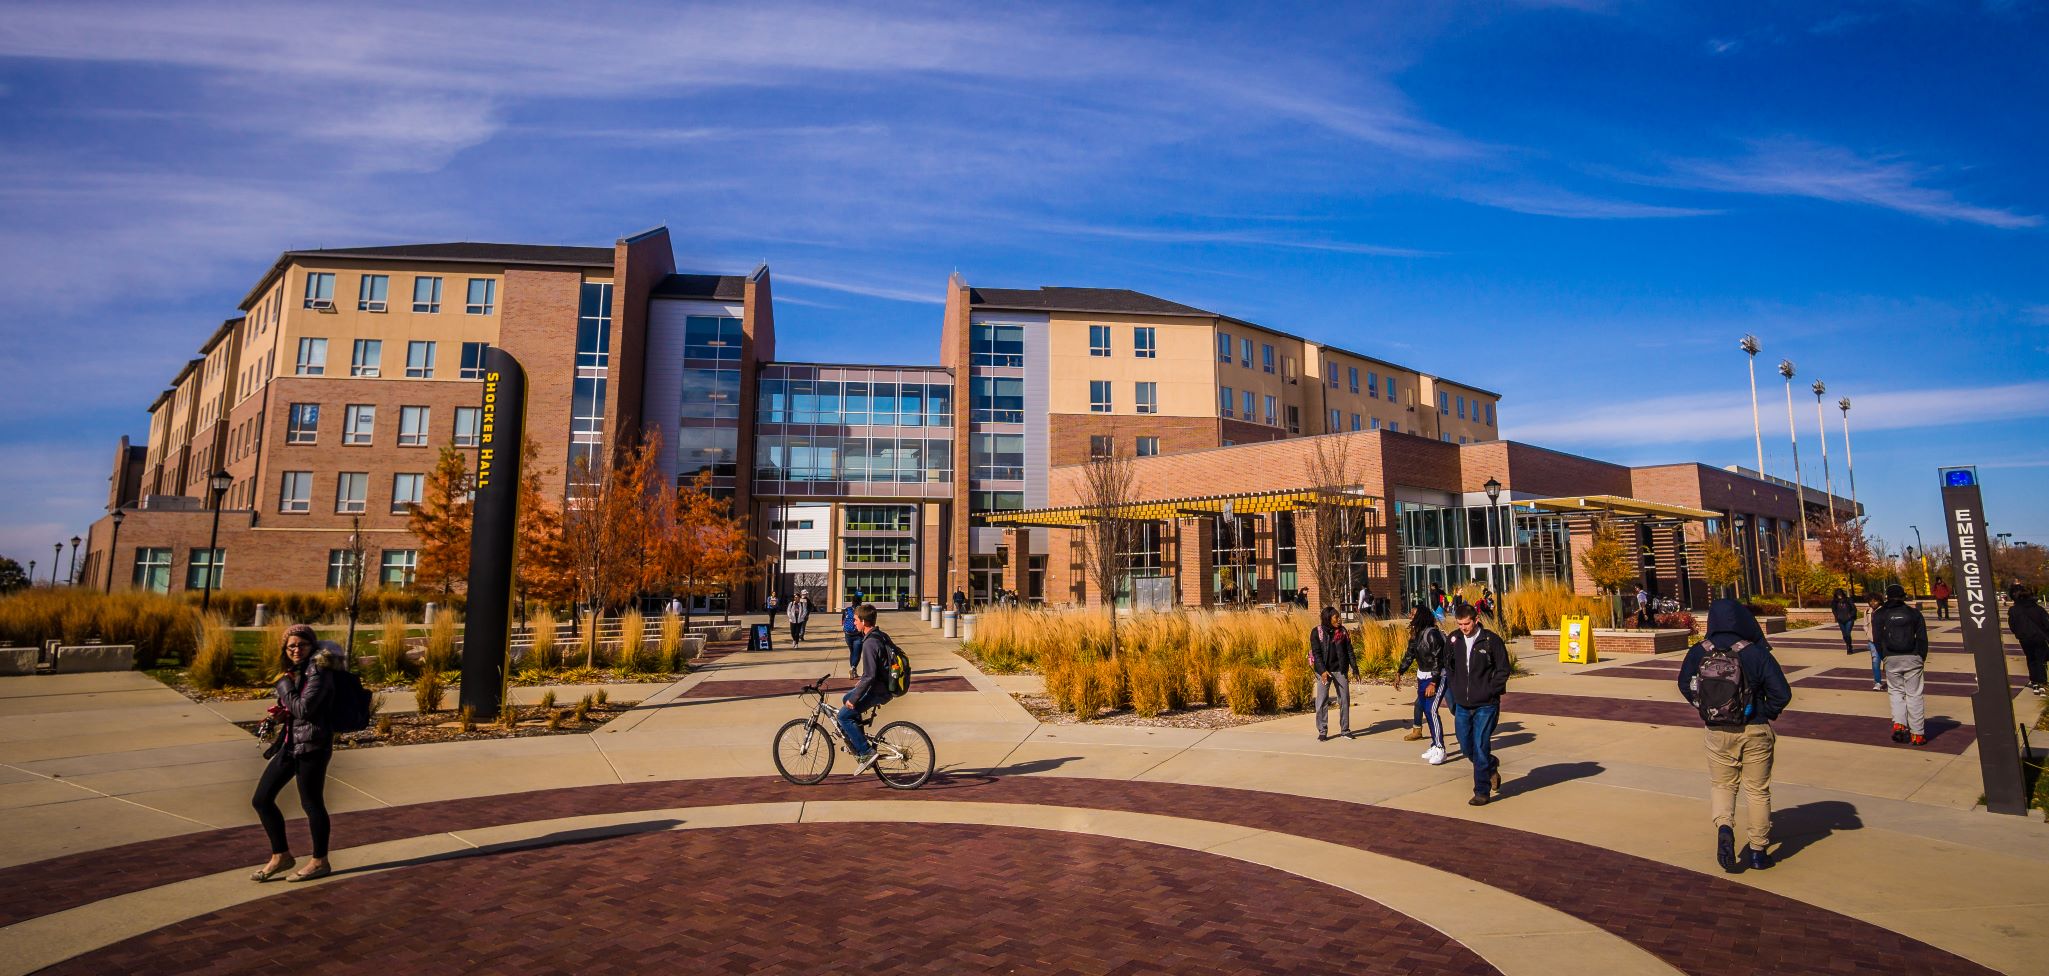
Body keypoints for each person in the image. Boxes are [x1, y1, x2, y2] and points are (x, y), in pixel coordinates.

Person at [1678, 599, 1793, 873]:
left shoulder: (1700, 651)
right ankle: (1757, 851)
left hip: (1717, 730)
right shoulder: (1755, 653)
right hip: (1755, 729)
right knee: (1757, 790)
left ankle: (1725, 828)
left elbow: (1684, 684)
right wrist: (1765, 711)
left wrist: (1705, 707)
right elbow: (1782, 693)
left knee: (1722, 785)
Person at [250, 624, 337, 883]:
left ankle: (320, 861)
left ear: (312, 645)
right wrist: (278, 715)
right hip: (291, 745)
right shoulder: (297, 672)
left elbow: (304, 709)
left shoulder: (319, 671)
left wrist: (283, 685)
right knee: (262, 799)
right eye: (291, 646)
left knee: (311, 803)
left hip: (312, 746)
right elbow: (294, 709)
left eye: (301, 645)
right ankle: (281, 856)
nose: (296, 650)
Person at [1444, 603, 1511, 805]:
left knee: (1480, 745)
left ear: (1476, 620)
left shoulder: (1490, 640)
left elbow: (1503, 669)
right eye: (1460, 624)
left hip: (1486, 704)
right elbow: (1448, 665)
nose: (1464, 627)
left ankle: (1481, 791)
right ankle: (1490, 766)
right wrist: (1455, 689)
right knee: (1466, 746)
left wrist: (1491, 690)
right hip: (1463, 704)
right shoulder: (1453, 640)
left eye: (1467, 623)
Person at [1872, 583, 1928, 746]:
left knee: (1895, 692)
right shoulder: (1914, 613)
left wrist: (1884, 656)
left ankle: (1899, 723)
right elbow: (1922, 637)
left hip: (1891, 657)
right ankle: (1917, 734)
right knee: (1914, 694)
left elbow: (1876, 638)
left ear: (1887, 597)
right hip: (1913, 656)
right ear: (1903, 596)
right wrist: (1921, 656)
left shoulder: (1880, 614)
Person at [840, 604, 894, 771]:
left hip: (878, 690)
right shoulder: (880, 635)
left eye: (856, 620)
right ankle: (858, 738)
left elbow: (870, 675)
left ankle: (866, 752)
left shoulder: (869, 643)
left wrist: (855, 698)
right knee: (845, 699)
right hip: (883, 685)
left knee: (843, 716)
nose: (854, 623)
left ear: (864, 621)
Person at [1395, 603, 1451, 764]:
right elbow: (1409, 654)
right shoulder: (1416, 634)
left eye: (1413, 614)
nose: (1410, 616)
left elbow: (1437, 660)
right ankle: (1434, 744)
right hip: (1422, 675)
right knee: (1426, 710)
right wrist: (1400, 672)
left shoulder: (1432, 634)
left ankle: (1440, 748)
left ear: (1421, 616)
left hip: (1437, 677)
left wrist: (1434, 682)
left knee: (1431, 710)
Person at [1309, 606, 1354, 741]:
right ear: (1328, 618)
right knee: (1322, 701)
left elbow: (1349, 650)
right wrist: (1322, 671)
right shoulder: (1317, 632)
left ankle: (1345, 730)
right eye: (1336, 617)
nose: (1339, 620)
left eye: (1339, 617)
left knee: (1344, 699)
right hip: (1324, 671)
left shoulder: (1342, 631)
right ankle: (1322, 730)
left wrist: (1354, 668)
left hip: (1340, 669)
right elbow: (1316, 653)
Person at [2009, 586, 2049, 697]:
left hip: (2025, 639)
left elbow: (2012, 626)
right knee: (2040, 660)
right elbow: (2046, 623)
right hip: (2040, 638)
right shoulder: (2038, 609)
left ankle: (2034, 681)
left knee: (2030, 659)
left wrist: (2020, 634)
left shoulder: (2014, 610)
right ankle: (2042, 682)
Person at [1863, 594, 1885, 691]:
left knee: (1888, 662)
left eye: (1875, 601)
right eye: (1870, 601)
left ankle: (1894, 681)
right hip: (1872, 641)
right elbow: (1865, 624)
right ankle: (1877, 682)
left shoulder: (1884, 611)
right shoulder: (1867, 612)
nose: (1873, 603)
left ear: (1879, 601)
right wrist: (1868, 633)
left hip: (1884, 641)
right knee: (1875, 661)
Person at [1829, 588, 1858, 654]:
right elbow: (1834, 610)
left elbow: (1854, 609)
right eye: (1838, 594)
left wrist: (1851, 615)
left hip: (1849, 619)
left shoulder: (1848, 600)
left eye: (1840, 593)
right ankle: (1849, 644)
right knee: (1844, 635)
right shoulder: (1834, 602)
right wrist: (1837, 616)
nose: (1839, 595)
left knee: (1848, 633)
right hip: (1841, 620)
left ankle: (1849, 647)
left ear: (1842, 593)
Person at [841, 603, 861, 676]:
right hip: (858, 635)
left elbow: (843, 621)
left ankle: (853, 671)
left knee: (852, 652)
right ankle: (853, 668)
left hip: (848, 634)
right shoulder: (860, 610)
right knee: (857, 653)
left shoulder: (847, 610)